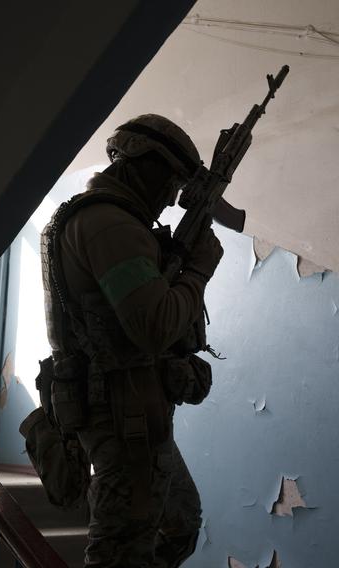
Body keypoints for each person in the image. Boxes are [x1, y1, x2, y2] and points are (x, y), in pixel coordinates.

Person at [40, 114, 224, 567]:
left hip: (136, 409)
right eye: (170, 182)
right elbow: (156, 326)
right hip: (123, 420)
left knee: (182, 519)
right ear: (142, 163)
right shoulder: (109, 224)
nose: (170, 198)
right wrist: (198, 269)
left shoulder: (108, 219)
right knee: (119, 556)